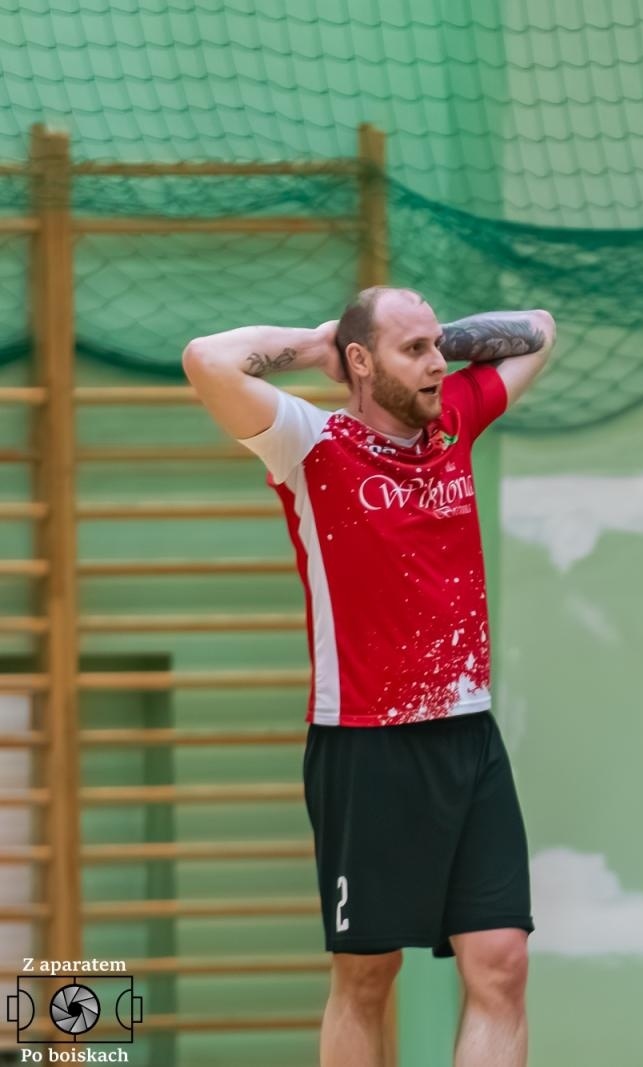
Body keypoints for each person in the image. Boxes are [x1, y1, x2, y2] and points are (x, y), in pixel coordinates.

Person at [183, 287, 556, 1067]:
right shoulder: (308, 442)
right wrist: (318, 341)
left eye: (437, 349)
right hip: (365, 743)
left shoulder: (454, 416)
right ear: (359, 362)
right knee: (366, 974)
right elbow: (207, 359)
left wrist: (427, 337)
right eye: (413, 351)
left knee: (503, 963)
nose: (436, 364)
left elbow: (538, 333)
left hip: (468, 733)